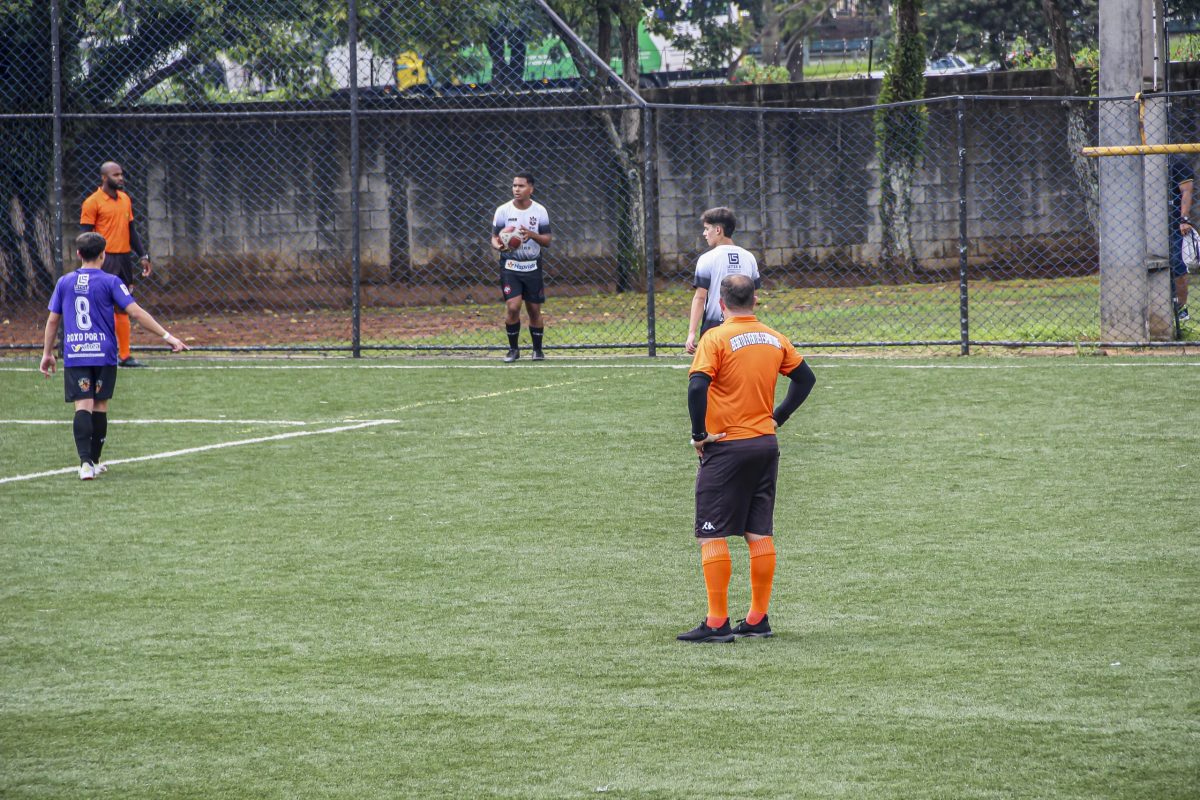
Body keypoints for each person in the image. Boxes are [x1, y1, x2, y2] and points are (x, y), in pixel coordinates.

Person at [679, 273, 816, 643]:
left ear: (721, 304)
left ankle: (717, 622)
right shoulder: (774, 337)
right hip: (765, 445)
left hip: (727, 447)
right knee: (758, 532)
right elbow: (805, 379)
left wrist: (698, 434)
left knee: (710, 533)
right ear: (755, 300)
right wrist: (778, 417)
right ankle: (757, 618)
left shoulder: (715, 337)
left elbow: (697, 385)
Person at [39, 232, 187, 480]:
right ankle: (95, 461)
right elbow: (136, 313)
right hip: (103, 353)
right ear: (103, 254)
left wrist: (47, 353)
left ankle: (85, 464)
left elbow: (53, 320)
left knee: (82, 405)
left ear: (78, 254)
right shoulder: (111, 281)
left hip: (76, 352)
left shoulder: (64, 282)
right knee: (100, 405)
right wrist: (167, 336)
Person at [80, 161, 153, 367]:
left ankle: (125, 355)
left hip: (123, 260)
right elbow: (85, 236)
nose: (121, 178)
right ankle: (97, 351)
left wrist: (142, 255)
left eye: (121, 174)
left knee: (123, 306)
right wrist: (89, 261)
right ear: (104, 178)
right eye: (116, 174)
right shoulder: (92, 202)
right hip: (104, 259)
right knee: (101, 307)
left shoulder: (125, 199)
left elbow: (131, 231)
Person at [491, 172, 552, 362]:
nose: (516, 189)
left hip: (532, 266)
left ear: (531, 189)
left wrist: (532, 235)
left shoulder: (540, 211)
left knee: (534, 310)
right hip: (510, 266)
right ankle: (513, 350)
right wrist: (499, 245)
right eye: (514, 186)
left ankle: (537, 350)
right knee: (513, 307)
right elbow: (494, 237)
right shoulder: (503, 211)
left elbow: (547, 240)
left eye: (521, 186)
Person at [685, 207, 761, 355]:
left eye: (707, 229)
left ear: (718, 230)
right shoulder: (749, 257)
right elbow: (753, 296)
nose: (704, 233)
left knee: (711, 367)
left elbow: (700, 297)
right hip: (744, 329)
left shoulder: (707, 259)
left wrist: (692, 333)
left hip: (713, 328)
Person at [1169, 154, 1195, 323]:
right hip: (1148, 222)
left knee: (1178, 263)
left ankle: (1181, 308)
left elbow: (1187, 190)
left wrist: (1184, 219)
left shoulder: (1177, 160)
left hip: (1173, 222)